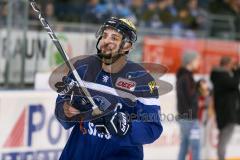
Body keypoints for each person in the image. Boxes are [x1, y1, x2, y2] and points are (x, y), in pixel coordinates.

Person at [54, 17, 163, 160]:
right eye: (104, 35)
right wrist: (67, 110)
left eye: (114, 38)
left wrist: (125, 126)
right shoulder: (81, 68)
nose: (106, 41)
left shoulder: (142, 79)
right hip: (79, 153)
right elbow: (61, 111)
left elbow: (152, 128)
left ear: (127, 46)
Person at [210, 56, 240, 160]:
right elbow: (234, 83)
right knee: (223, 140)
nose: (234, 66)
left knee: (223, 139)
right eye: (232, 64)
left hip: (226, 113)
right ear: (227, 65)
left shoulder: (220, 76)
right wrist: (237, 72)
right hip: (227, 114)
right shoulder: (222, 77)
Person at [176, 50, 201, 160]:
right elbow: (190, 97)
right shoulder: (186, 77)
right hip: (190, 118)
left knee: (185, 145)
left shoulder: (184, 76)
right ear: (190, 61)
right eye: (197, 60)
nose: (198, 62)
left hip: (185, 116)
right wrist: (199, 92)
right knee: (195, 146)